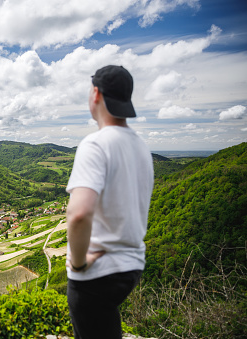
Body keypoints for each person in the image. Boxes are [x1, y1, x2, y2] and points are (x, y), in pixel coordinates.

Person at [65, 65, 154, 339]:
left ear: (95, 94)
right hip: (131, 267)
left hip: (96, 272)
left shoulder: (96, 144)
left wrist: (79, 263)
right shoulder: (141, 147)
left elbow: (79, 214)